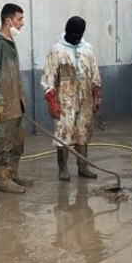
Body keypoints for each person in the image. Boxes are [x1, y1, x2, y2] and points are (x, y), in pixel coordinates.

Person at [41, 16, 102, 181]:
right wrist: (52, 101)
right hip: (64, 98)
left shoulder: (87, 49)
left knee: (83, 131)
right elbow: (49, 77)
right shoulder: (56, 50)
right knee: (64, 132)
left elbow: (95, 74)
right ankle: (63, 169)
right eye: (72, 34)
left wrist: (96, 96)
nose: (75, 37)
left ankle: (83, 167)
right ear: (67, 31)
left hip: (85, 98)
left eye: (78, 35)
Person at [0, 3, 32, 194]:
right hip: (2, 108)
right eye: (20, 19)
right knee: (2, 144)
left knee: (17, 143)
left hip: (16, 106)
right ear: (8, 20)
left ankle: (12, 174)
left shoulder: (10, 43)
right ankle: (2, 180)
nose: (22, 24)